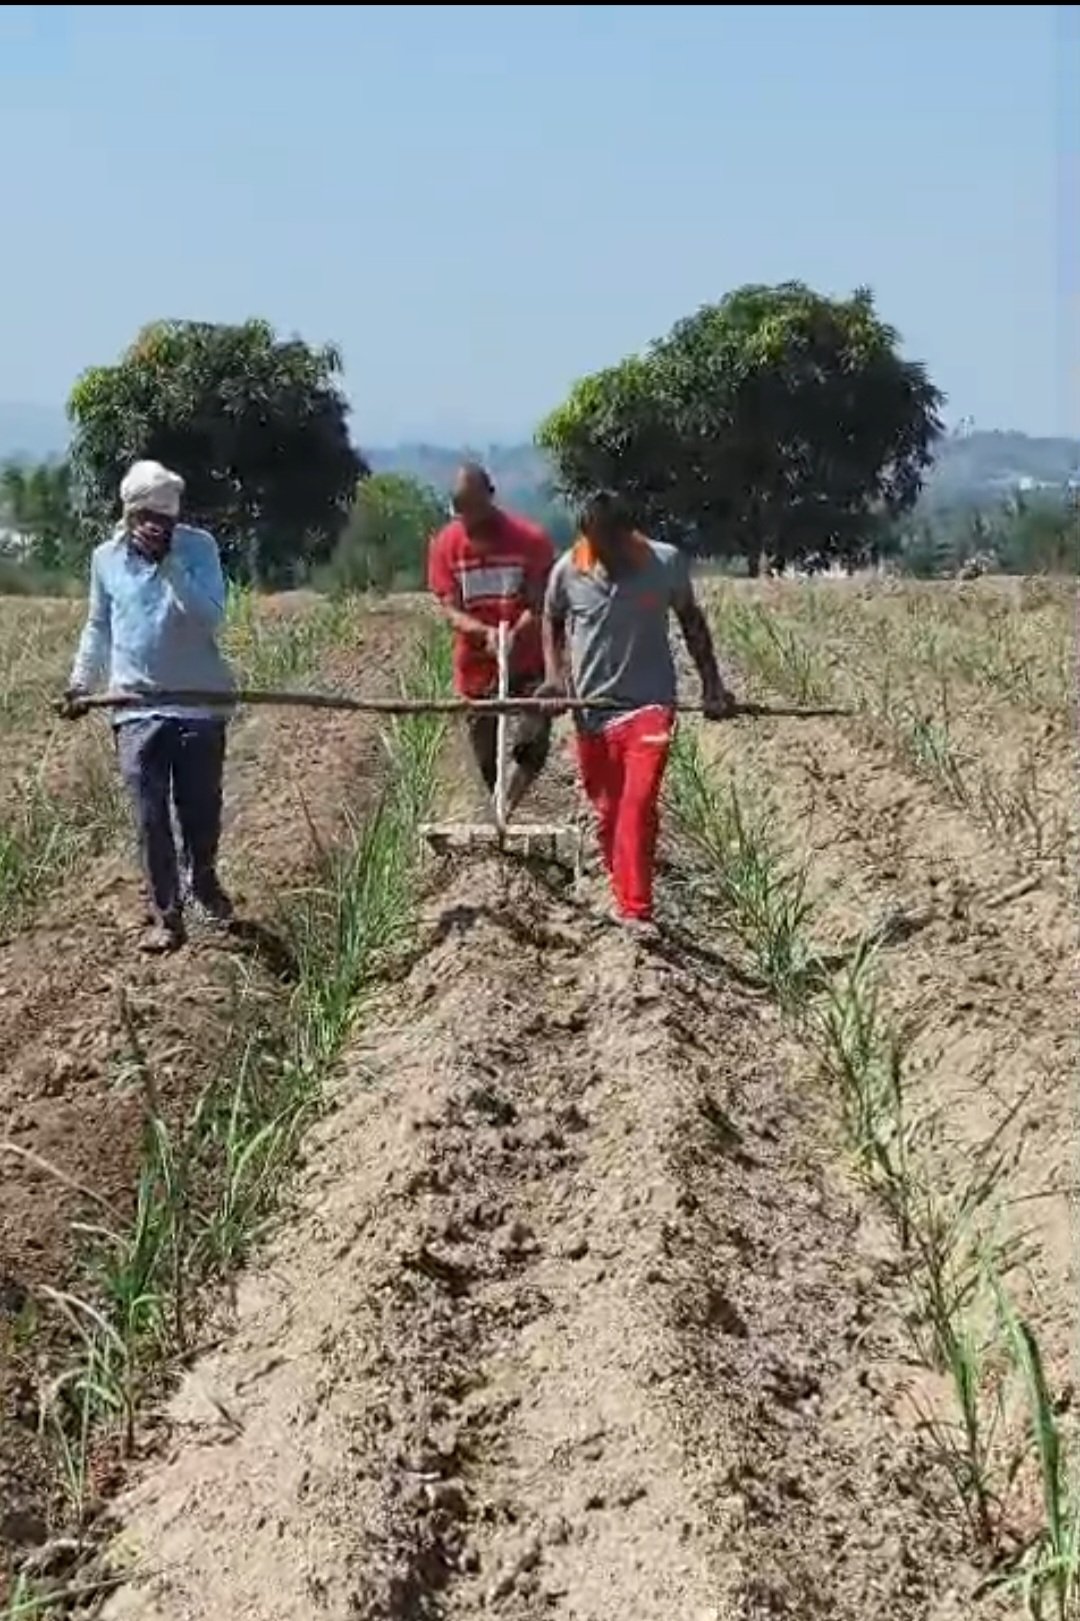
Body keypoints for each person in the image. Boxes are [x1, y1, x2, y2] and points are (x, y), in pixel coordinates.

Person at [542, 491, 736, 933]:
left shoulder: (663, 563)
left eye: (612, 545)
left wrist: (712, 685)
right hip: (591, 709)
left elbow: (692, 621)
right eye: (596, 546)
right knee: (610, 811)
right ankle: (622, 882)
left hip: (649, 706)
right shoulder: (570, 569)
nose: (604, 556)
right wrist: (554, 679)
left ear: (629, 535)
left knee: (638, 799)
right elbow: (551, 619)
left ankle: (635, 908)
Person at [64, 459, 235, 953]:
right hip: (135, 706)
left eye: (167, 518)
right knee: (149, 816)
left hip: (198, 704)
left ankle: (202, 880)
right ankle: (167, 914)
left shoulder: (198, 550)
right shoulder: (105, 559)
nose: (158, 526)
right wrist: (80, 682)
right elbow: (98, 625)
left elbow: (211, 618)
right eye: (148, 517)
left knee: (200, 810)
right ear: (130, 513)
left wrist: (170, 567)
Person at [427, 462, 556, 814]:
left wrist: (515, 633)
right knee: (485, 755)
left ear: (491, 497)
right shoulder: (445, 546)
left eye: (476, 509)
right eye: (462, 510)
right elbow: (450, 610)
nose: (470, 520)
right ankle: (497, 808)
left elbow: (538, 601)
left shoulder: (530, 541)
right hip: (477, 666)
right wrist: (483, 633)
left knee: (533, 736)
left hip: (526, 658)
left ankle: (507, 805)